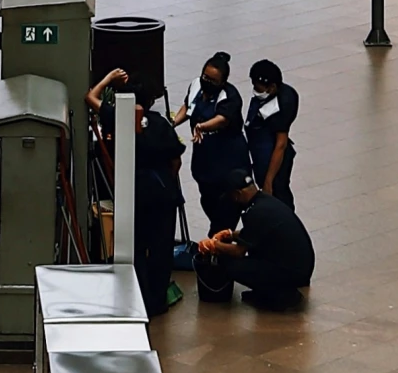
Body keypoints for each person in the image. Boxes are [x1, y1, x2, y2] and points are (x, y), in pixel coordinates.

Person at [87, 66, 183, 316]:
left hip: (134, 193)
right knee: (161, 248)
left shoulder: (119, 116)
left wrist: (108, 78)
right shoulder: (161, 124)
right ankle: (157, 300)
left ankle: (136, 297)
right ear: (151, 99)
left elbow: (90, 97)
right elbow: (176, 160)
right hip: (163, 194)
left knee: (136, 246)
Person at [195, 182, 314, 309]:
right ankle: (271, 291)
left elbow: (238, 251)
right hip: (299, 265)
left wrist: (214, 245)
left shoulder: (256, 212)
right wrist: (230, 234)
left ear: (237, 194)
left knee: (231, 265)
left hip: (293, 271)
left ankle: (279, 295)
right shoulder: (264, 202)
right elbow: (255, 232)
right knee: (254, 252)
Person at [181, 53, 251, 230]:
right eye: (205, 77)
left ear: (223, 82)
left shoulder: (230, 96)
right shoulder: (196, 86)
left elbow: (222, 119)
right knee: (208, 201)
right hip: (205, 161)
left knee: (226, 211)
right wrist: (172, 122)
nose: (207, 82)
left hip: (227, 161)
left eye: (213, 80)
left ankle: (219, 243)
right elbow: (188, 106)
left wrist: (202, 127)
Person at [245, 60, 299, 205]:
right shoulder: (265, 97)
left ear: (272, 87)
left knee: (279, 196)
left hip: (273, 161)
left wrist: (268, 181)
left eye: (259, 88)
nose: (256, 91)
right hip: (259, 154)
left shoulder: (280, 106)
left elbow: (280, 145)